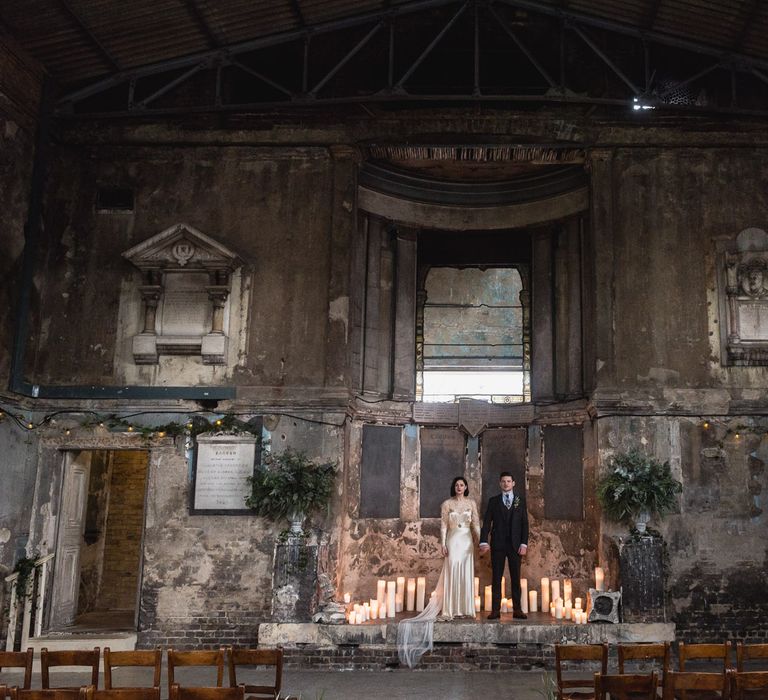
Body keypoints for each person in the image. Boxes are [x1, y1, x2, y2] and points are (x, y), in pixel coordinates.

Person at [397, 475, 480, 667]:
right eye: (457, 485)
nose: (459, 487)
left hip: (467, 541)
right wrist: (442, 544)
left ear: (466, 487)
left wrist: (481, 540)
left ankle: (465, 608)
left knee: (466, 573)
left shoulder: (471, 503)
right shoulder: (446, 504)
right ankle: (450, 608)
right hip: (453, 540)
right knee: (452, 571)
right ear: (454, 487)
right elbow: (443, 525)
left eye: (462, 485)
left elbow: (475, 523)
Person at [479, 471, 529, 620]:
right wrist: (483, 540)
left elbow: (524, 524)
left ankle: (518, 610)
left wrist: (523, 543)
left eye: (509, 481)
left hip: (515, 546)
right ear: (500, 483)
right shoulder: (493, 501)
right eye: (503, 481)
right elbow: (487, 522)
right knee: (496, 577)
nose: (506, 484)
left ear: (513, 483)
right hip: (498, 544)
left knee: (515, 577)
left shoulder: (520, 500)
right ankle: (495, 610)